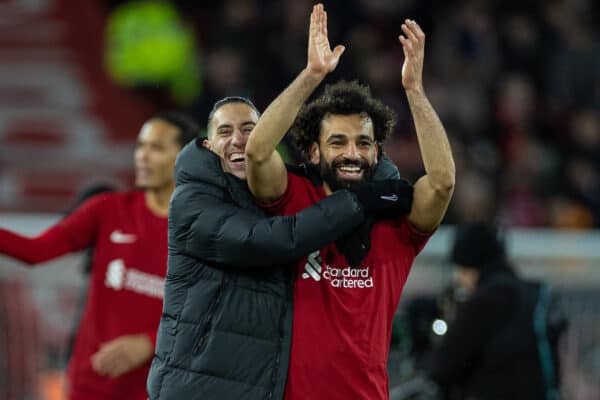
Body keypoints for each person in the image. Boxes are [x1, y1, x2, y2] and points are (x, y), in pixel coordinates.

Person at [244, 4, 455, 399]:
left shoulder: (396, 217)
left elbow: (442, 184)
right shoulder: (293, 199)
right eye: (337, 142)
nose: (352, 153)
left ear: (376, 151)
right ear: (313, 152)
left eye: (363, 142)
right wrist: (311, 76)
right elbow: (256, 152)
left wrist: (414, 91)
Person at [147, 96, 414, 400]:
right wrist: (362, 201)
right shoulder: (192, 202)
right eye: (224, 132)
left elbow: (350, 165)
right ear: (208, 145)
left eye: (249, 129)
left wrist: (378, 184)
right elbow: (271, 240)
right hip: (192, 391)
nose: (238, 140)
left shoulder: (276, 193)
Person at [0, 111, 199, 400]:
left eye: (156, 148)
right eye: (141, 146)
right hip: (89, 385)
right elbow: (36, 251)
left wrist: (149, 344)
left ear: (184, 157)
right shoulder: (108, 210)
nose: (142, 156)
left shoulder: (201, 232)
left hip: (155, 389)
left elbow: (208, 317)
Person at [426, 222, 567, 400]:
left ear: (470, 265)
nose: (458, 280)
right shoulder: (534, 294)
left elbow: (442, 367)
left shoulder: (486, 301)